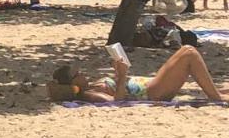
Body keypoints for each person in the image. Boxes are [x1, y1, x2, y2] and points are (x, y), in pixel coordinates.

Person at [53, 45, 224, 103]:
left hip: (152, 85)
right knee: (188, 52)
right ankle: (217, 98)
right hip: (152, 92)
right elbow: (116, 102)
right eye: (77, 73)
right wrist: (121, 76)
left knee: (187, 54)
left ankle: (217, 94)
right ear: (73, 84)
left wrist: (118, 71)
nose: (82, 72)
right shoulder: (89, 94)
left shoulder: (91, 86)